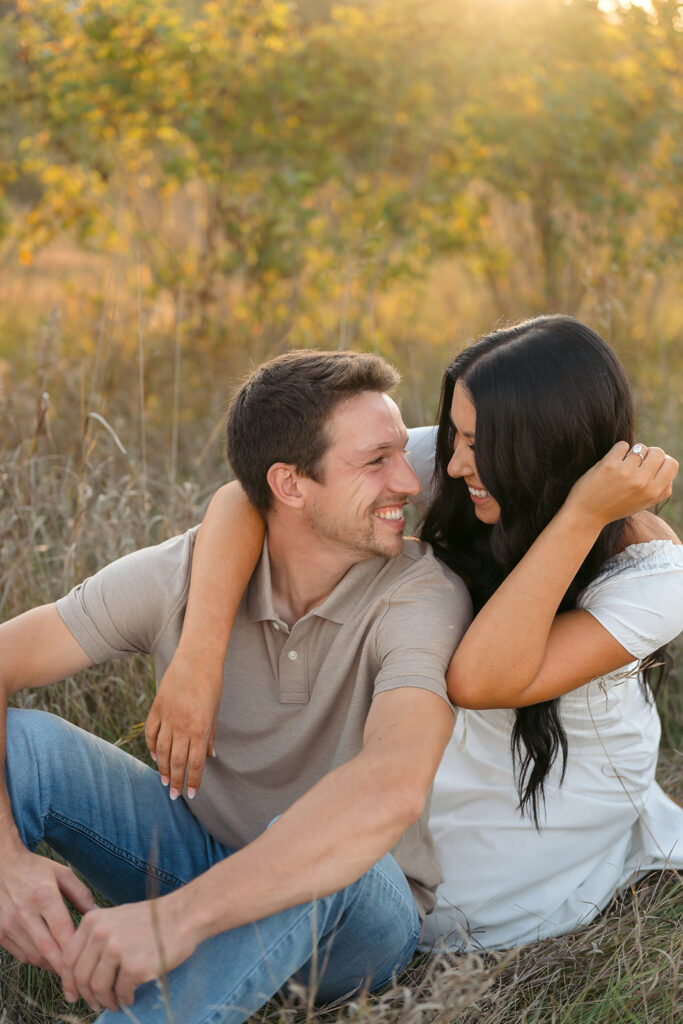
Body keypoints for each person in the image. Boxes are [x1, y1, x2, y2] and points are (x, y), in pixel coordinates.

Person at [148, 314, 682, 953]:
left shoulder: (654, 579)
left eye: (475, 443)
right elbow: (249, 498)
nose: (453, 463)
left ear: (540, 448)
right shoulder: (467, 462)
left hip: (558, 782)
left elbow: (480, 680)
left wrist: (583, 514)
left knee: (432, 908)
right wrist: (198, 660)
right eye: (453, 434)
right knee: (332, 843)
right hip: (446, 747)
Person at [0, 350, 473, 1021]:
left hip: (356, 921)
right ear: (289, 484)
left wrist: (174, 920)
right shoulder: (180, 574)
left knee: (326, 836)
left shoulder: (421, 594)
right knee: (26, 746)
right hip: (200, 856)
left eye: (403, 454)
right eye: (376, 462)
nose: (408, 481)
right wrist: (6, 861)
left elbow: (391, 788)